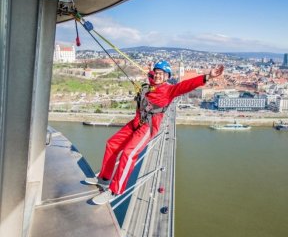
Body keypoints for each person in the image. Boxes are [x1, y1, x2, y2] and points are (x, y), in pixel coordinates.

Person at [87, 60, 224, 204]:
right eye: (156, 73)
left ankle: (115, 190)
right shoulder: (150, 84)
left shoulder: (170, 90)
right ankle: (104, 179)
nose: (158, 76)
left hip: (148, 126)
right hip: (137, 122)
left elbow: (185, 86)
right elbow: (150, 76)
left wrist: (207, 77)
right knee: (112, 143)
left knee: (129, 153)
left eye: (161, 74)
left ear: (166, 76)